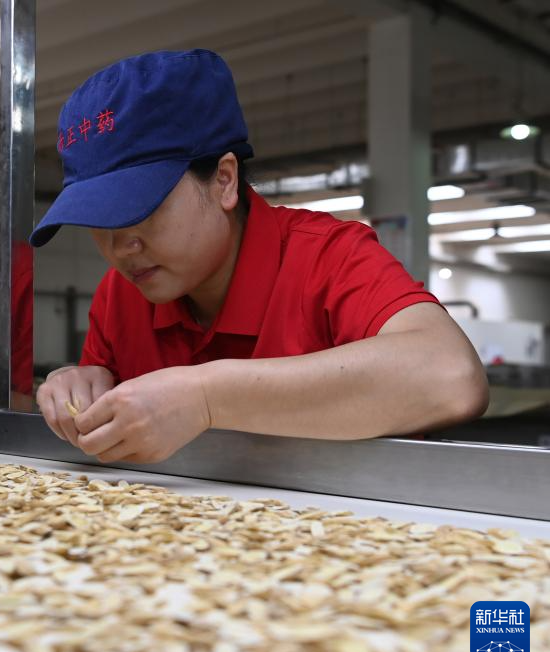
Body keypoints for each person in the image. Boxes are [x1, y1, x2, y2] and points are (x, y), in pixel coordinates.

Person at [30, 49, 488, 465]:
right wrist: (79, 383)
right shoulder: (124, 291)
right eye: (98, 222)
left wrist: (207, 398)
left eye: (140, 211)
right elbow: (105, 401)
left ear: (224, 180)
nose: (120, 248)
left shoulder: (327, 258)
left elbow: (450, 377)